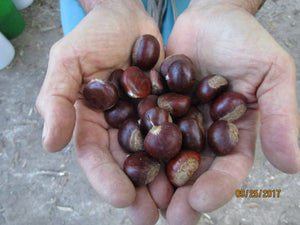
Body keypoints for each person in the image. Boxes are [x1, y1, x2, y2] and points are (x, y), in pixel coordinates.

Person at [36, 0, 300, 224]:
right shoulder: (141, 96)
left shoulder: (168, 104)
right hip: (105, 28)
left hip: (199, 30)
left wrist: (225, 4)